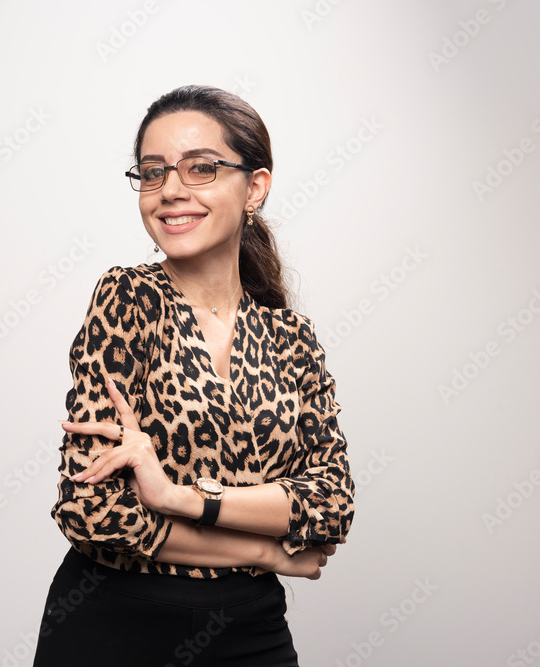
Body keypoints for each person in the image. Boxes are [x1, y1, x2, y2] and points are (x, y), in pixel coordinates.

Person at [31, 85, 355, 666]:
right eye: (153, 172)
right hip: (114, 627)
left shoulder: (292, 338)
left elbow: (331, 505)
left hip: (251, 632)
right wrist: (268, 553)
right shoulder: (129, 298)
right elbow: (93, 512)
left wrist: (177, 497)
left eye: (201, 168)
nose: (171, 190)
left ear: (254, 187)